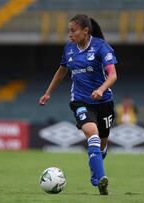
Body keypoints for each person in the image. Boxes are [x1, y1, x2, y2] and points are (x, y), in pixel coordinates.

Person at [39, 14, 117, 195]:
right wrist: (48, 92)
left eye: (73, 31)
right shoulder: (69, 49)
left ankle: (94, 170)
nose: (69, 34)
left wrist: (101, 89)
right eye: (68, 31)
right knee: (93, 135)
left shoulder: (101, 47)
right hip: (80, 101)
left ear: (85, 31)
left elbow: (113, 75)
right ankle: (101, 179)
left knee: (102, 145)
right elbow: (62, 71)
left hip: (104, 101)